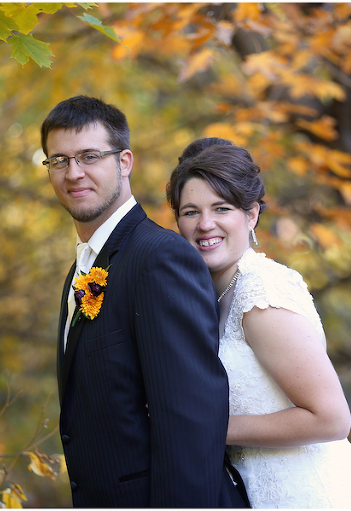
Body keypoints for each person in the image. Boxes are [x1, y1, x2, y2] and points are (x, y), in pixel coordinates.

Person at [41, 97, 249, 507]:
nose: (73, 172)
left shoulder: (159, 258)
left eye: (89, 156)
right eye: (59, 160)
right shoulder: (81, 270)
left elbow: (190, 424)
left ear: (124, 162)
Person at [166, 138, 351, 508]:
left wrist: (204, 427)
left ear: (251, 215)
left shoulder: (262, 293)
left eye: (221, 208)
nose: (205, 224)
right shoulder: (213, 295)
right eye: (191, 212)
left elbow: (331, 419)